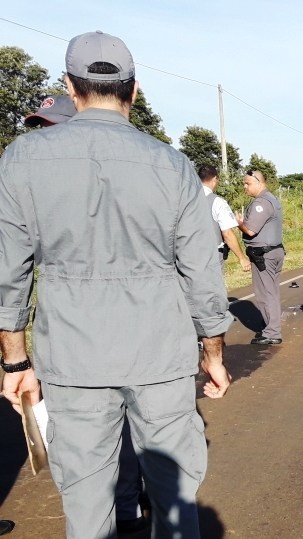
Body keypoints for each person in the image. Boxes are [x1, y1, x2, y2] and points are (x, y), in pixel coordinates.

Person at [0, 31, 232, 538]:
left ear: (70, 86)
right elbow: (201, 271)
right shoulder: (173, 166)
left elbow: (8, 273)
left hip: (72, 356)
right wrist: (212, 352)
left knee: (86, 506)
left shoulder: (21, 160)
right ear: (135, 90)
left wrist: (15, 360)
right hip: (160, 356)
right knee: (173, 503)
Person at [26, 94, 152, 535]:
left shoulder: (120, 174)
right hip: (69, 335)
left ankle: (127, 506)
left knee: (117, 431)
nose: (45, 138)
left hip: (123, 333)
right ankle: (122, 505)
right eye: (40, 129)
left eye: (52, 127)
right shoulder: (37, 183)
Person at [235, 170, 285, 345]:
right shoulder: (272, 199)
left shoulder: (261, 203)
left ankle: (272, 332)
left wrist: (239, 223)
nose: (245, 187)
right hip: (272, 252)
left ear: (259, 182)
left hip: (264, 255)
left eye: (247, 183)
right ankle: (271, 328)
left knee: (265, 293)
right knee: (271, 291)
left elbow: (250, 230)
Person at [198, 165, 251, 273]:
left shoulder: (185, 200)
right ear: (215, 179)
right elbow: (227, 233)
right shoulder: (217, 202)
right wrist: (242, 257)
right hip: (211, 256)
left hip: (187, 255)